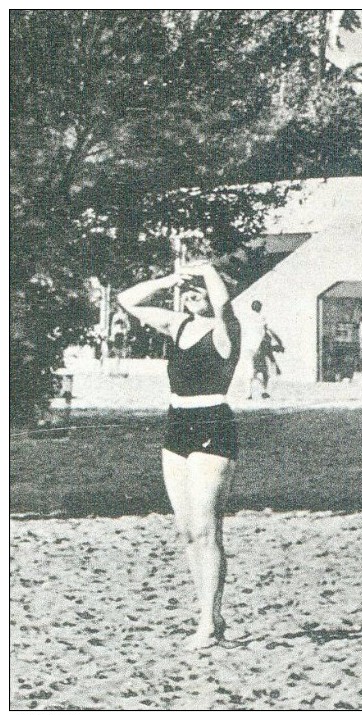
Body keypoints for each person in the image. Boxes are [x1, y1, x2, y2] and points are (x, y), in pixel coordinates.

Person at [117, 261, 241, 651]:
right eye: (187, 292)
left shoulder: (226, 329)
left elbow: (222, 305)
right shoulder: (178, 325)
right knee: (187, 531)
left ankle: (208, 621)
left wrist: (206, 271)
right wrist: (171, 279)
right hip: (176, 426)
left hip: (213, 425)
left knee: (207, 529)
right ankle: (210, 613)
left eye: (199, 289)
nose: (192, 296)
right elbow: (127, 300)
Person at [248, 300, 283, 399]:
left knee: (255, 371)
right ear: (259, 307)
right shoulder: (261, 317)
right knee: (263, 371)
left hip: (251, 347)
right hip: (259, 346)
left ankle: (251, 392)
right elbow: (268, 330)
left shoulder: (249, 318)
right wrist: (279, 341)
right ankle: (263, 391)